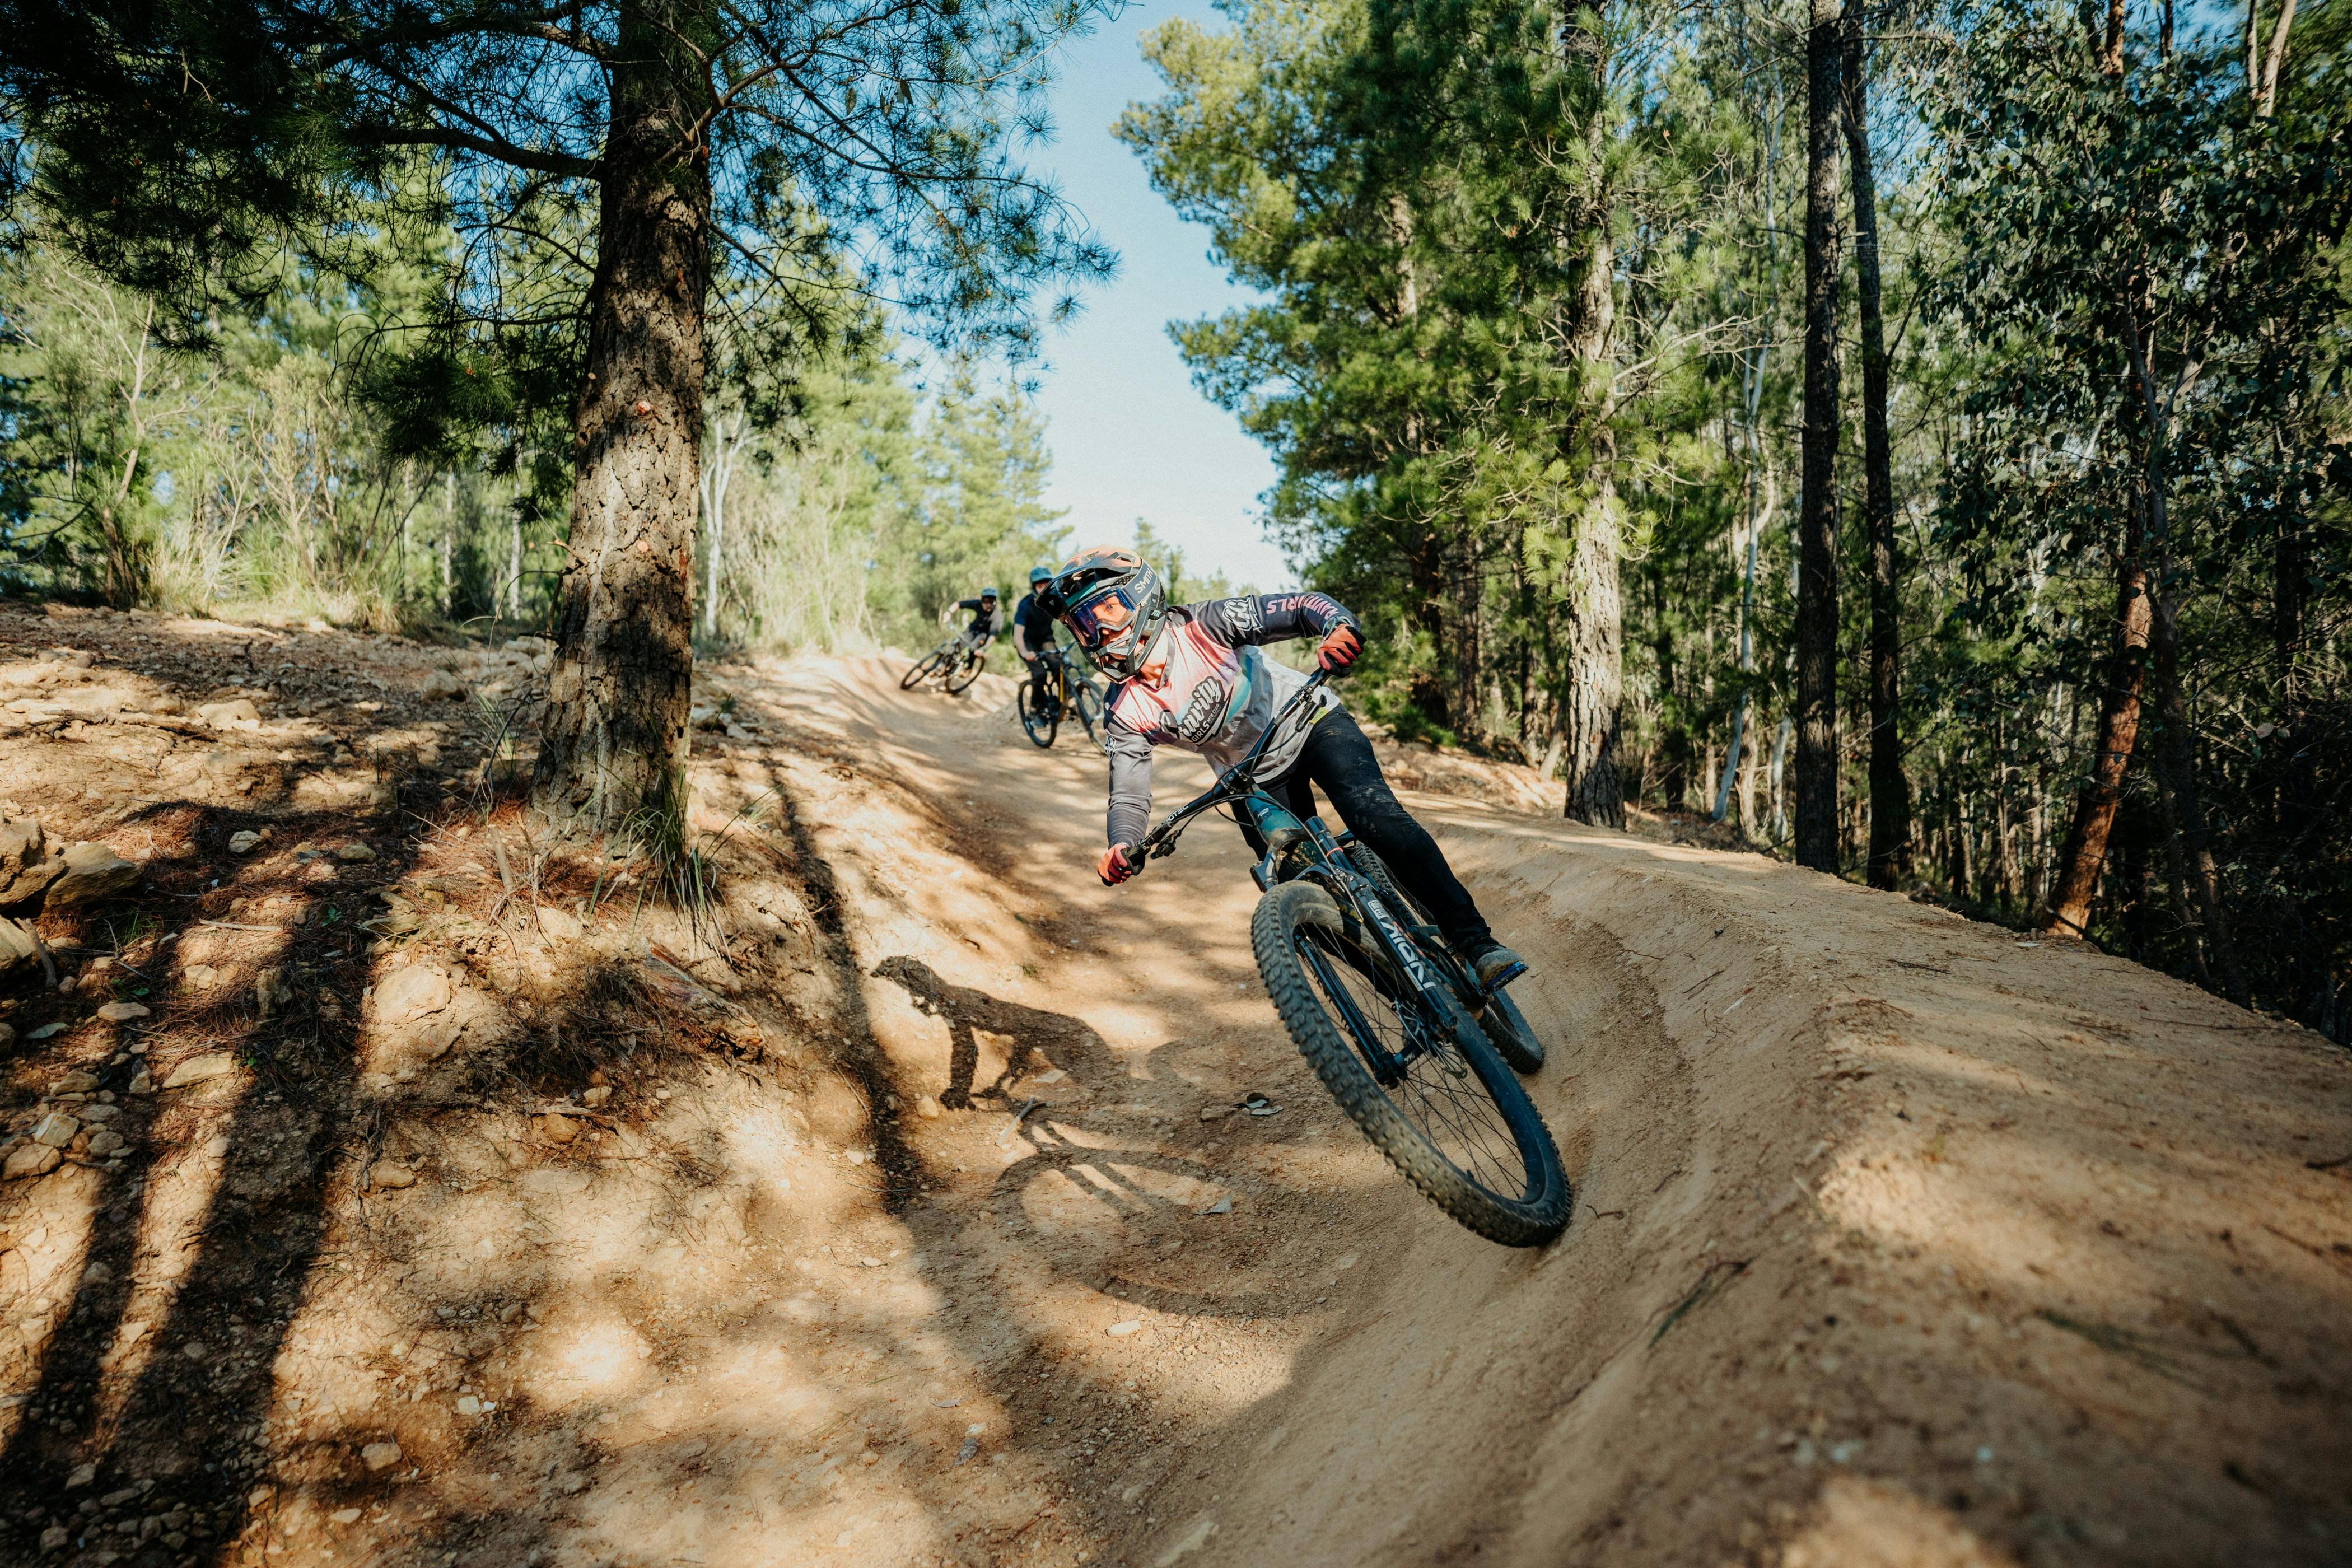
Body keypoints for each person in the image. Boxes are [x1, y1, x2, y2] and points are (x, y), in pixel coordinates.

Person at [1044, 547, 1526, 992]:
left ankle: (1477, 944)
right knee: (1293, 890)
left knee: (1376, 820)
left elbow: (1303, 606)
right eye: (1082, 625)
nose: (1099, 631)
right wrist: (1121, 843)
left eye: (1106, 609)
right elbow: (1128, 793)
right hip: (1250, 779)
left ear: (1141, 596)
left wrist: (1336, 627)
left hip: (1311, 723)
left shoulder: (1204, 625)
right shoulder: (1124, 708)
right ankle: (1405, 993)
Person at [1012, 566, 1063, 716]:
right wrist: (1025, 653)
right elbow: (1018, 635)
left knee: (1059, 667)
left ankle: (1064, 701)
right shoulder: (1025, 606)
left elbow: (1068, 617)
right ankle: (1035, 708)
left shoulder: (1054, 601)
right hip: (1027, 642)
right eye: (1040, 586)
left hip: (1045, 638)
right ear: (1034, 587)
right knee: (1040, 674)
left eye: (1046, 585)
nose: (1043, 589)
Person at [946, 587, 1003, 658]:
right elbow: (959, 604)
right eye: (986, 602)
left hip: (984, 635)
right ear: (982, 601)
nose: (988, 605)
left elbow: (993, 636)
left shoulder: (997, 616)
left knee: (973, 651)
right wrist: (949, 612)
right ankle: (945, 662)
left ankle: (969, 668)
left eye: (991, 602)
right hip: (973, 629)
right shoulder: (977, 604)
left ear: (995, 602)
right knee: (958, 645)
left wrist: (984, 649)